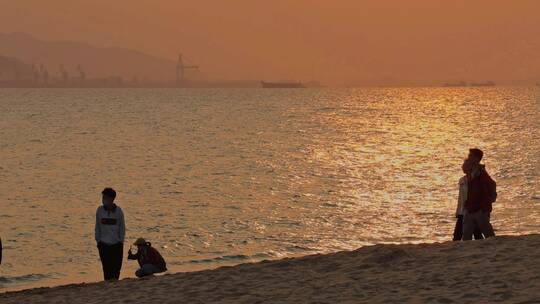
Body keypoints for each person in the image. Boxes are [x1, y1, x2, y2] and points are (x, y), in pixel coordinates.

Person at [462, 148, 497, 241]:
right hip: (470, 208)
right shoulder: (469, 174)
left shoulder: (481, 173)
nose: (468, 158)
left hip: (480, 209)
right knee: (466, 235)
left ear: (476, 159)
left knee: (489, 235)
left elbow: (492, 185)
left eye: (471, 156)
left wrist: (486, 203)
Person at [95, 187, 126, 280]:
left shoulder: (118, 211)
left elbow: (122, 227)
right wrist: (98, 240)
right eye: (103, 197)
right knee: (106, 268)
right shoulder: (99, 210)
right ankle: (107, 284)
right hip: (103, 244)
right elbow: (97, 227)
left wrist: (120, 241)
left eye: (105, 198)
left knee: (116, 269)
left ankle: (115, 285)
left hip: (116, 244)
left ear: (111, 199)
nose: (103, 200)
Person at [453, 159, 484, 241]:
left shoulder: (475, 180)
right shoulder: (462, 180)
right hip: (463, 211)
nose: (462, 166)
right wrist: (458, 211)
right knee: (458, 234)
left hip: (473, 209)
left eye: (465, 164)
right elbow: (461, 198)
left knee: (476, 233)